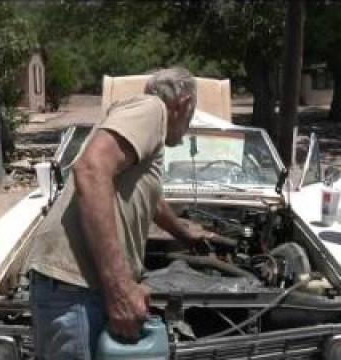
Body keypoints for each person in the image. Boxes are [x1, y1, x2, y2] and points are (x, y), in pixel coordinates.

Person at [24, 67, 212, 360]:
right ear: (185, 103)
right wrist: (121, 290)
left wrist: (184, 233)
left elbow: (151, 198)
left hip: (78, 291)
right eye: (191, 115)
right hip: (78, 292)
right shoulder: (152, 110)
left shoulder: (138, 126)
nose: (187, 127)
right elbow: (91, 169)